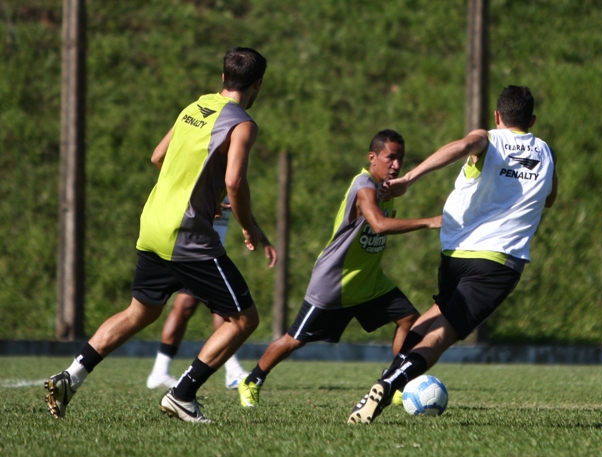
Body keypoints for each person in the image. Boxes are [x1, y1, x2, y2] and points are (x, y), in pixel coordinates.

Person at [45, 47, 273, 423]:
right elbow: (234, 180)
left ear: (222, 78)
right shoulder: (242, 123)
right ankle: (182, 394)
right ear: (258, 84)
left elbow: (157, 156)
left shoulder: (195, 108)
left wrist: (199, 193)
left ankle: (71, 375)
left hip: (153, 224)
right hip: (187, 235)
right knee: (243, 319)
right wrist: (250, 227)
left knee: (142, 311)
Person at [348, 85, 558, 424]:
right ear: (532, 120)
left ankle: (389, 376)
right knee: (442, 335)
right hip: (499, 262)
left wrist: (410, 178)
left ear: (497, 116)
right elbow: (549, 198)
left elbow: (461, 146)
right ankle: (390, 384)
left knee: (434, 316)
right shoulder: (547, 153)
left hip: (456, 253)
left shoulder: (488, 139)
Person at [238, 129, 442, 408]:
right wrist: (429, 221)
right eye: (390, 158)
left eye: (400, 159)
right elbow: (379, 225)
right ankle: (252, 380)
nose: (396, 165)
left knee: (409, 320)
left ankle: (396, 381)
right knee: (294, 340)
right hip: (335, 282)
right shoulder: (364, 186)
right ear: (372, 157)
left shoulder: (386, 189)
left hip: (370, 282)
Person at [144, 199, 276, 390]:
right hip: (195, 250)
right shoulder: (209, 177)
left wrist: (263, 239)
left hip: (205, 251)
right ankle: (229, 370)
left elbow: (242, 209)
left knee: (192, 308)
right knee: (215, 309)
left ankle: (161, 370)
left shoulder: (225, 178)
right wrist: (209, 201)